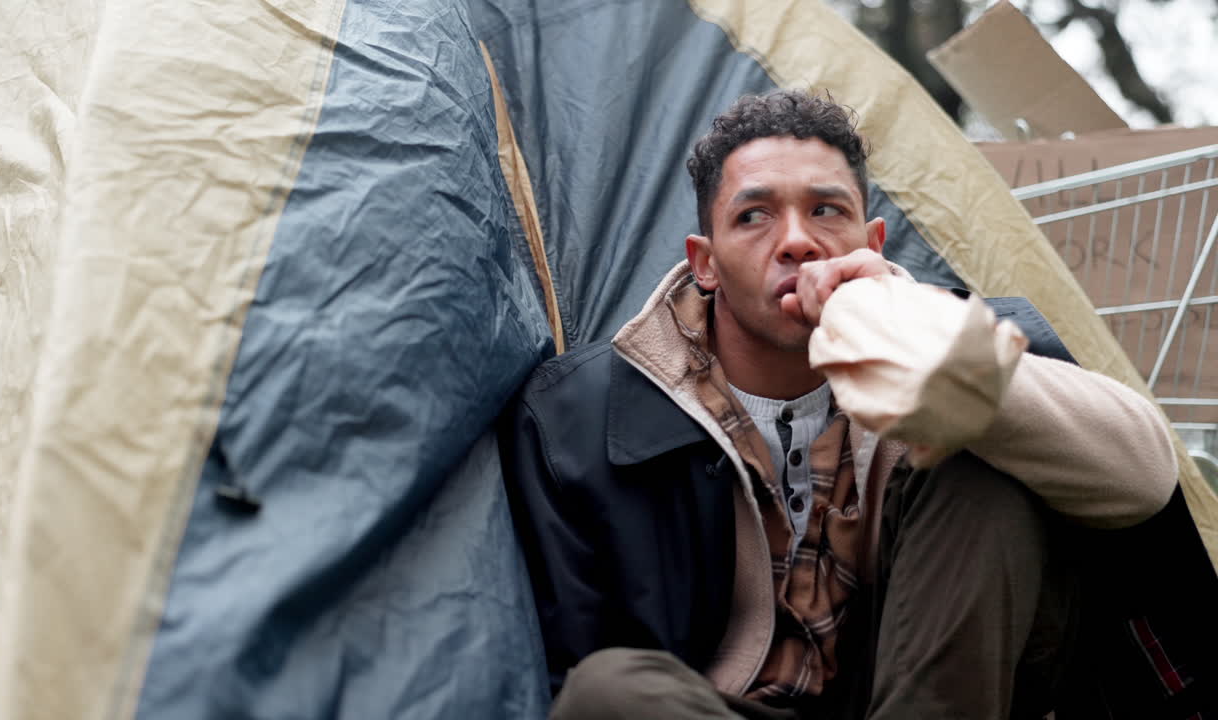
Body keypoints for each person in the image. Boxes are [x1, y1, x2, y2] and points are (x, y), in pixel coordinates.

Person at [499, 89, 1178, 720]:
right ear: (704, 263)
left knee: (983, 454)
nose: (796, 240)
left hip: (925, 698)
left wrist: (921, 345)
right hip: (716, 708)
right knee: (609, 692)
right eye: (754, 215)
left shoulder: (967, 347)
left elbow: (1145, 479)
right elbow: (568, 668)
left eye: (826, 210)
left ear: (871, 244)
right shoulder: (576, 415)